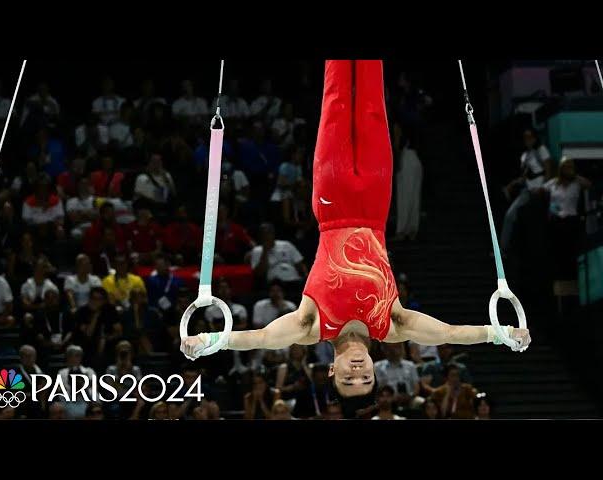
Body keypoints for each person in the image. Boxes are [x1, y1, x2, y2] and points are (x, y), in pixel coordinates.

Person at [181, 60, 531, 416]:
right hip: (375, 202)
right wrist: (501, 334)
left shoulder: (311, 326)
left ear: (332, 371)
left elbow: (258, 339)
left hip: (332, 201)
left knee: (336, 95)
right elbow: (451, 333)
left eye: (348, 380)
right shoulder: (391, 325)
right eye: (365, 380)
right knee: (371, 99)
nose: (358, 372)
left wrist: (208, 341)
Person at [501, 128, 554, 255]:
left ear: (535, 138)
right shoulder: (525, 156)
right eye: (525, 137)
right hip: (528, 191)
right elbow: (525, 177)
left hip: (540, 192)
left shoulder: (541, 150)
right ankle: (503, 249)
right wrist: (511, 185)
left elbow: (549, 170)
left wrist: (542, 188)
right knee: (510, 216)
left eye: (530, 137)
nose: (527, 140)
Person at [539, 156, 591, 282]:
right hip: (556, 221)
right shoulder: (554, 183)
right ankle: (558, 278)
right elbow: (540, 190)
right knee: (557, 252)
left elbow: (588, 184)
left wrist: (573, 175)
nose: (568, 169)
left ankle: (572, 278)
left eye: (570, 167)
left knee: (571, 252)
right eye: (566, 167)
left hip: (571, 221)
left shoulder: (576, 184)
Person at [393, 123, 423, 241]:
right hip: (415, 158)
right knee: (414, 196)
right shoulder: (409, 122)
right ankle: (412, 229)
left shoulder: (398, 125)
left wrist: (398, 161)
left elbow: (397, 143)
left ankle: (402, 230)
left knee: (404, 197)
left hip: (407, 159)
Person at [373, 342, 423, 411]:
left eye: (396, 347)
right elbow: (377, 388)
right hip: (388, 400)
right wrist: (391, 397)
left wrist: (410, 396)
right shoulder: (378, 367)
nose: (393, 350)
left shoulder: (410, 365)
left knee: (420, 401)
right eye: (389, 348)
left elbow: (417, 387)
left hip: (409, 399)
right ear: (384, 349)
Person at [57, 345, 96, 419]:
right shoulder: (62, 372)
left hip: (86, 399)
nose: (73, 358)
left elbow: (93, 388)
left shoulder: (89, 371)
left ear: (81, 357)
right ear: (67, 357)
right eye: (71, 355)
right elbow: (62, 389)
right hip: (69, 400)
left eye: (77, 356)